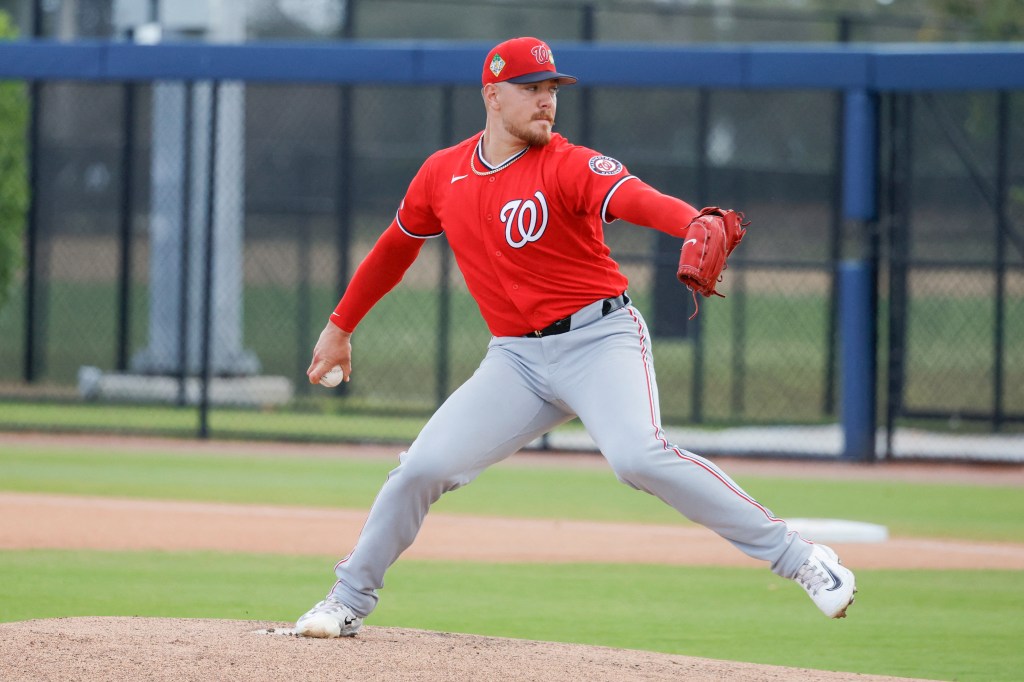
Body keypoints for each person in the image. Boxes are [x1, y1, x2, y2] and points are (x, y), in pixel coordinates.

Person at [295, 37, 856, 638]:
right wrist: (339, 327)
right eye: (531, 89)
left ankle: (803, 559)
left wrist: (691, 221)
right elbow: (395, 249)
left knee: (638, 457)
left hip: (599, 339)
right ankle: (347, 598)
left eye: (552, 90)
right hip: (515, 359)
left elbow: (634, 197)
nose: (546, 102)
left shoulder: (567, 163)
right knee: (419, 468)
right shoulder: (443, 173)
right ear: (492, 94)